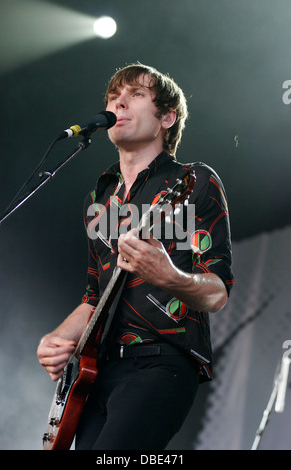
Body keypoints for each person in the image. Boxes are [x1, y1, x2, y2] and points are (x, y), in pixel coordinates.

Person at [37, 62, 234, 450]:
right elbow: (94, 296)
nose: (119, 102)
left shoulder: (193, 182)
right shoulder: (99, 199)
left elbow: (217, 292)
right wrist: (59, 339)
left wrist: (170, 275)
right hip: (94, 372)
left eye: (136, 95)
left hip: (160, 363)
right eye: (113, 97)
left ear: (167, 117)